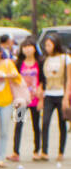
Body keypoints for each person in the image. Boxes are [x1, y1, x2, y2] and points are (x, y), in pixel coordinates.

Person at [38, 34, 70, 162]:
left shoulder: (65, 58)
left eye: (49, 45)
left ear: (56, 44)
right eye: (45, 45)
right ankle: (44, 151)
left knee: (62, 123)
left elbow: (69, 79)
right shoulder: (45, 59)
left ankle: (61, 151)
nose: (47, 48)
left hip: (61, 93)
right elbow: (42, 79)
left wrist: (66, 97)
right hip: (49, 94)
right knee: (45, 122)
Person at [11, 37, 42, 162]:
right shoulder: (19, 63)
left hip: (35, 98)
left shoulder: (40, 63)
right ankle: (15, 152)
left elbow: (43, 80)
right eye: (24, 47)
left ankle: (36, 151)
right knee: (18, 124)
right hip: (22, 99)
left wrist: (41, 96)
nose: (27, 49)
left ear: (34, 48)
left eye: (30, 46)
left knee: (36, 125)